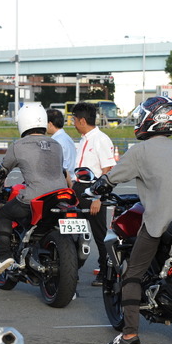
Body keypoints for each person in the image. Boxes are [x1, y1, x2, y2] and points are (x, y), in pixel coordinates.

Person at [89, 96, 172, 344]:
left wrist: (98, 186)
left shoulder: (139, 151)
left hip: (160, 221)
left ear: (150, 119)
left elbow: (112, 178)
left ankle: (129, 335)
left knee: (132, 275)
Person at [0, 103, 68, 276]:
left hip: (35, 198)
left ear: (23, 123)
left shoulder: (18, 146)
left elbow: (1, 172)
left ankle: (3, 257)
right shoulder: (56, 144)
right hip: (62, 196)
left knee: (3, 214)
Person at [71, 101, 116, 286]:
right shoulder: (83, 140)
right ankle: (70, 269)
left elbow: (108, 170)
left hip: (94, 191)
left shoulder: (101, 139)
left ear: (82, 120)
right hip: (78, 189)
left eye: (74, 119)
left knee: (99, 235)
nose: (72, 123)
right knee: (73, 231)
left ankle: (106, 273)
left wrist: (99, 197)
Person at [46, 108, 76, 186]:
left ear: (50, 124)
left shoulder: (55, 141)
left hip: (63, 183)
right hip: (72, 179)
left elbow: (62, 168)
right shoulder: (67, 138)